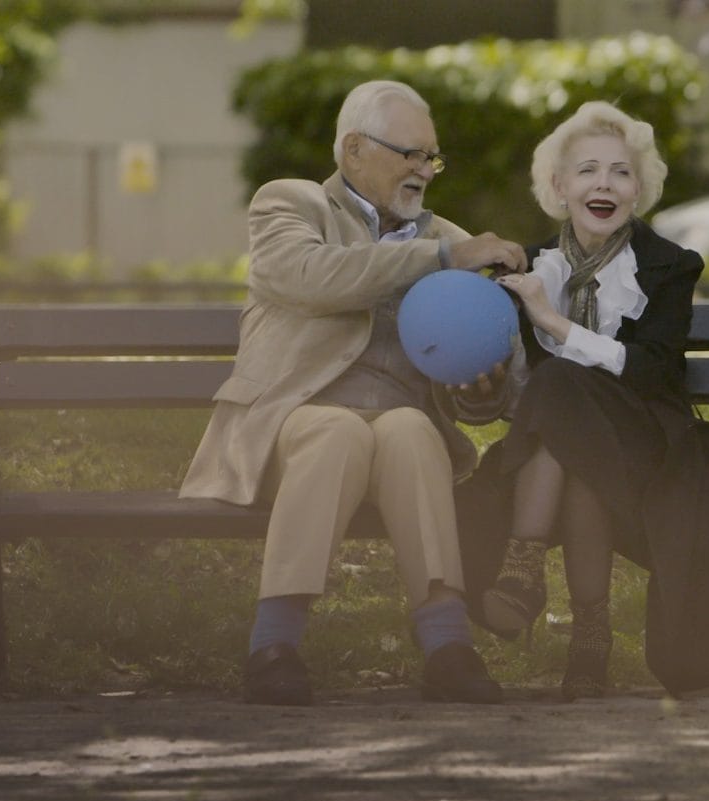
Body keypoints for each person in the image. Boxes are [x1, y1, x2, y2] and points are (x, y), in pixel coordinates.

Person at [180, 79, 528, 706]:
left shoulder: (446, 237)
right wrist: (439, 258)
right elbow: (308, 276)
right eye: (410, 154)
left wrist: (485, 386)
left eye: (432, 157)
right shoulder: (290, 204)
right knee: (336, 429)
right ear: (353, 151)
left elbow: (487, 384)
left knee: (413, 431)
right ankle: (274, 646)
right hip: (294, 417)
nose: (424, 170)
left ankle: (448, 647)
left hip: (398, 425)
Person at [456, 101, 709, 700]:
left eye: (620, 172)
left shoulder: (670, 267)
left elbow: (650, 372)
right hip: (569, 455)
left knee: (563, 386)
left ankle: (522, 567)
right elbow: (513, 396)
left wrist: (554, 325)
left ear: (638, 189)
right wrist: (483, 388)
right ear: (559, 186)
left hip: (653, 449)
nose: (604, 184)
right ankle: (591, 641)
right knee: (571, 433)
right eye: (588, 170)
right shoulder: (530, 267)